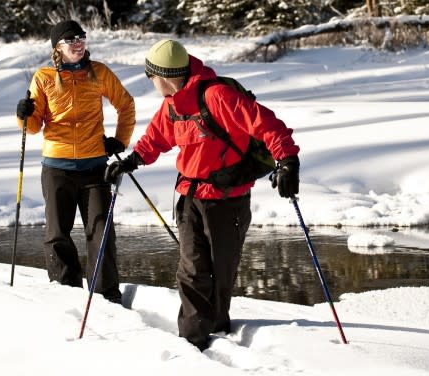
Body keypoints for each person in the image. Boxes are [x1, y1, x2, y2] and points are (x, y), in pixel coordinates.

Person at [105, 39, 300, 350]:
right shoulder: (172, 104)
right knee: (192, 270)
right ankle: (192, 342)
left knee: (221, 270)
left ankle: (219, 329)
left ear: (163, 75)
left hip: (227, 201)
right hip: (190, 198)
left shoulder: (217, 96)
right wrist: (131, 162)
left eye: (151, 77)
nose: (152, 84)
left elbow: (267, 125)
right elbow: (156, 138)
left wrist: (288, 161)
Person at [15, 20, 135, 304]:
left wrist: (119, 140)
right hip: (57, 168)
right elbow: (32, 127)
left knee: (101, 231)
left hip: (95, 167)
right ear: (58, 46)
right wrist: (23, 114)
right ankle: (64, 292)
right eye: (71, 40)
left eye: (82, 38)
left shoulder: (99, 73)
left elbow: (126, 104)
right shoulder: (43, 78)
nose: (78, 43)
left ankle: (106, 295)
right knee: (57, 234)